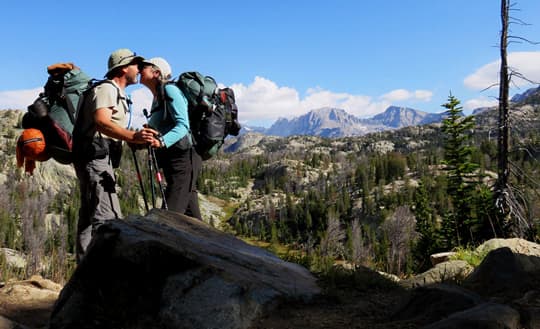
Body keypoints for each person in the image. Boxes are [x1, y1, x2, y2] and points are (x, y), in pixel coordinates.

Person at [72, 48, 160, 263]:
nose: (139, 69)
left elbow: (110, 127)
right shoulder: (107, 89)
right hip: (96, 159)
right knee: (107, 217)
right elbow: (102, 122)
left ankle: (85, 273)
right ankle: (104, 275)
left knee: (89, 214)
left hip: (97, 157)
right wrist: (133, 135)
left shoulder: (116, 93)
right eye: (135, 65)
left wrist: (134, 139)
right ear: (123, 68)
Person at [138, 57, 202, 220]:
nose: (139, 69)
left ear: (156, 72)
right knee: (192, 219)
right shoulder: (158, 96)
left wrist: (161, 141)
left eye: (143, 67)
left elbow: (183, 125)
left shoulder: (170, 90)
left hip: (183, 161)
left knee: (168, 218)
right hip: (176, 163)